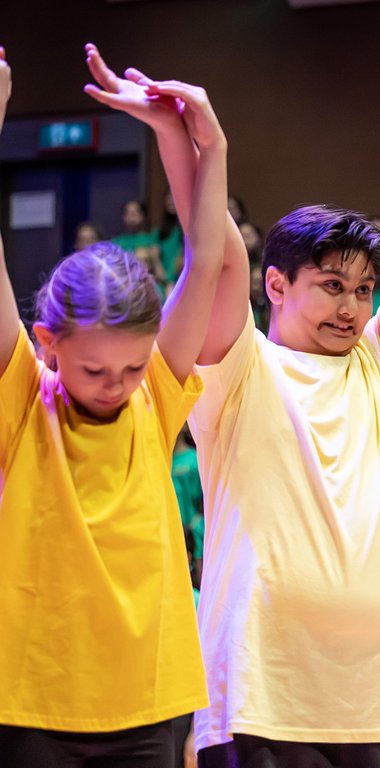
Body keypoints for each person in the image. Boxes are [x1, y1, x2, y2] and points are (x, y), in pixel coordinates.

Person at [106, 38, 380, 765]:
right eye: (331, 286)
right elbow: (213, 252)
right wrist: (197, 141)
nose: (352, 307)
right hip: (263, 693)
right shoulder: (239, 365)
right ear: (277, 287)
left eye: (364, 290)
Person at [0, 45, 226, 764]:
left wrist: (197, 138)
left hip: (146, 697)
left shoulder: (153, 400)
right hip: (33, 699)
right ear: (48, 343)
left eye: (132, 366)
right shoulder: (23, 402)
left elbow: (207, 255)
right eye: (95, 368)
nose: (116, 384)